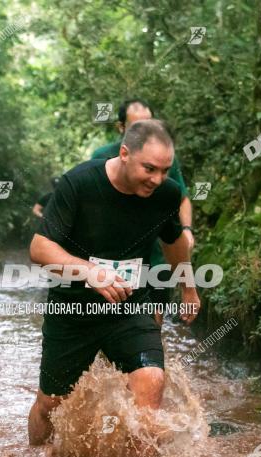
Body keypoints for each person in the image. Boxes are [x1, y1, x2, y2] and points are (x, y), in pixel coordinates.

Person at [27, 119, 200, 445]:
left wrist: (188, 287)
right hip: (72, 308)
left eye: (165, 170)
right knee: (50, 405)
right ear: (124, 153)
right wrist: (90, 272)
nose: (157, 179)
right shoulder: (78, 184)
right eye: (149, 169)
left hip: (130, 306)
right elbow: (39, 248)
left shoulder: (166, 194)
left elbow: (175, 244)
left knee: (150, 384)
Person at [91, 99, 194, 323]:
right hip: (112, 256)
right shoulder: (101, 157)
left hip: (156, 253)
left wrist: (186, 229)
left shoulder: (165, 157)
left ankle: (150, 354)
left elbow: (181, 198)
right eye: (136, 126)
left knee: (152, 321)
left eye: (149, 123)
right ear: (121, 128)